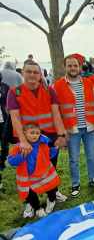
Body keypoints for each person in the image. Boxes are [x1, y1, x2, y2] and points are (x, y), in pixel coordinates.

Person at [7, 61, 67, 201]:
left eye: (35, 72)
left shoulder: (48, 90)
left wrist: (61, 135)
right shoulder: (15, 92)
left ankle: (53, 193)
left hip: (48, 137)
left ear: (41, 74)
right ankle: (30, 200)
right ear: (22, 73)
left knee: (50, 167)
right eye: (29, 71)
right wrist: (23, 141)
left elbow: (56, 114)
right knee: (28, 169)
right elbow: (14, 118)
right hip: (27, 138)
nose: (32, 75)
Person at [53, 55, 94, 198]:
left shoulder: (88, 83)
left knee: (91, 156)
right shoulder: (57, 85)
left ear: (80, 67)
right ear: (65, 67)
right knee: (73, 158)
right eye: (70, 66)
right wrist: (62, 131)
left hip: (89, 126)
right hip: (71, 129)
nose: (73, 68)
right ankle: (75, 183)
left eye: (75, 66)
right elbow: (55, 111)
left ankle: (93, 179)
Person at [8, 122, 61, 218]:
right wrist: (23, 155)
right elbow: (11, 161)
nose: (35, 135)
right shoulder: (19, 146)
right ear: (24, 133)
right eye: (32, 133)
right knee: (31, 195)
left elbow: (49, 155)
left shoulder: (44, 143)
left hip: (44, 175)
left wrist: (55, 148)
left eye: (37, 133)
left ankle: (51, 200)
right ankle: (37, 208)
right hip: (28, 178)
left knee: (52, 190)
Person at [0, 72, 10, 170]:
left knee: (4, 142)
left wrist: (1, 97)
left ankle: (2, 161)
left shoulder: (5, 86)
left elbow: (9, 101)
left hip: (3, 119)